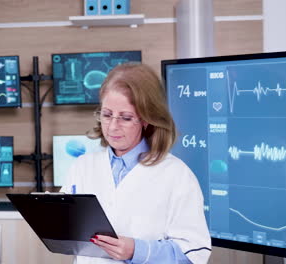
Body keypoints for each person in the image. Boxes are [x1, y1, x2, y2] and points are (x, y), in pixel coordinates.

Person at [61, 63, 211, 263]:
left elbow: (194, 254)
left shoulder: (176, 175)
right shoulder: (83, 166)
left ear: (147, 119)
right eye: (106, 115)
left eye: (125, 117)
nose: (113, 126)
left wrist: (137, 251)